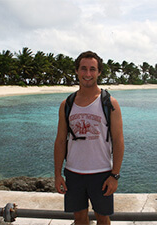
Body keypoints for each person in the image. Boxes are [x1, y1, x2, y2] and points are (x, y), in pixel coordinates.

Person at [54, 51, 125, 225]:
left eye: (92, 69)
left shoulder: (109, 103)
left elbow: (118, 141)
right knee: (79, 217)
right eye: (83, 69)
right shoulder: (67, 104)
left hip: (101, 173)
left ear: (99, 72)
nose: (87, 74)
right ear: (77, 71)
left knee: (103, 217)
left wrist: (114, 175)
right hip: (73, 173)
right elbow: (60, 140)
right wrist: (57, 174)